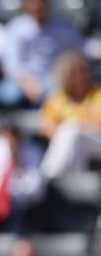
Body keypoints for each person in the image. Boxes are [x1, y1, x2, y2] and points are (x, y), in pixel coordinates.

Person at [0, 0, 84, 109]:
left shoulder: (61, 28)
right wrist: (26, 82)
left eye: (40, 1)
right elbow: (11, 62)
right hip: (21, 79)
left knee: (62, 96)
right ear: (25, 4)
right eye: (32, 2)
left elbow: (81, 46)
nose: (37, 6)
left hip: (50, 79)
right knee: (8, 95)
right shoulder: (16, 27)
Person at [38, 50, 101, 179]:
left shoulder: (97, 94)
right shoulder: (57, 99)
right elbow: (47, 129)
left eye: (85, 70)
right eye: (78, 71)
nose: (84, 75)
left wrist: (75, 124)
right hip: (75, 143)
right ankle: (71, 186)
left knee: (72, 129)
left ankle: (48, 176)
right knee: (72, 136)